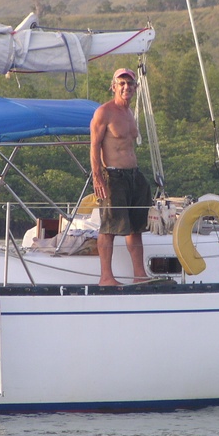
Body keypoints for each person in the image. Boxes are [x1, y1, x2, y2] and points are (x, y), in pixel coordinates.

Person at [90, 68, 152, 285]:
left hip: (134, 176)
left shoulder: (129, 113)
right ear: (113, 86)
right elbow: (95, 145)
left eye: (130, 84)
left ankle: (139, 275)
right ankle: (106, 277)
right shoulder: (104, 112)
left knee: (136, 229)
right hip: (113, 177)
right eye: (122, 83)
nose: (126, 87)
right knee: (110, 227)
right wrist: (97, 177)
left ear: (135, 87)